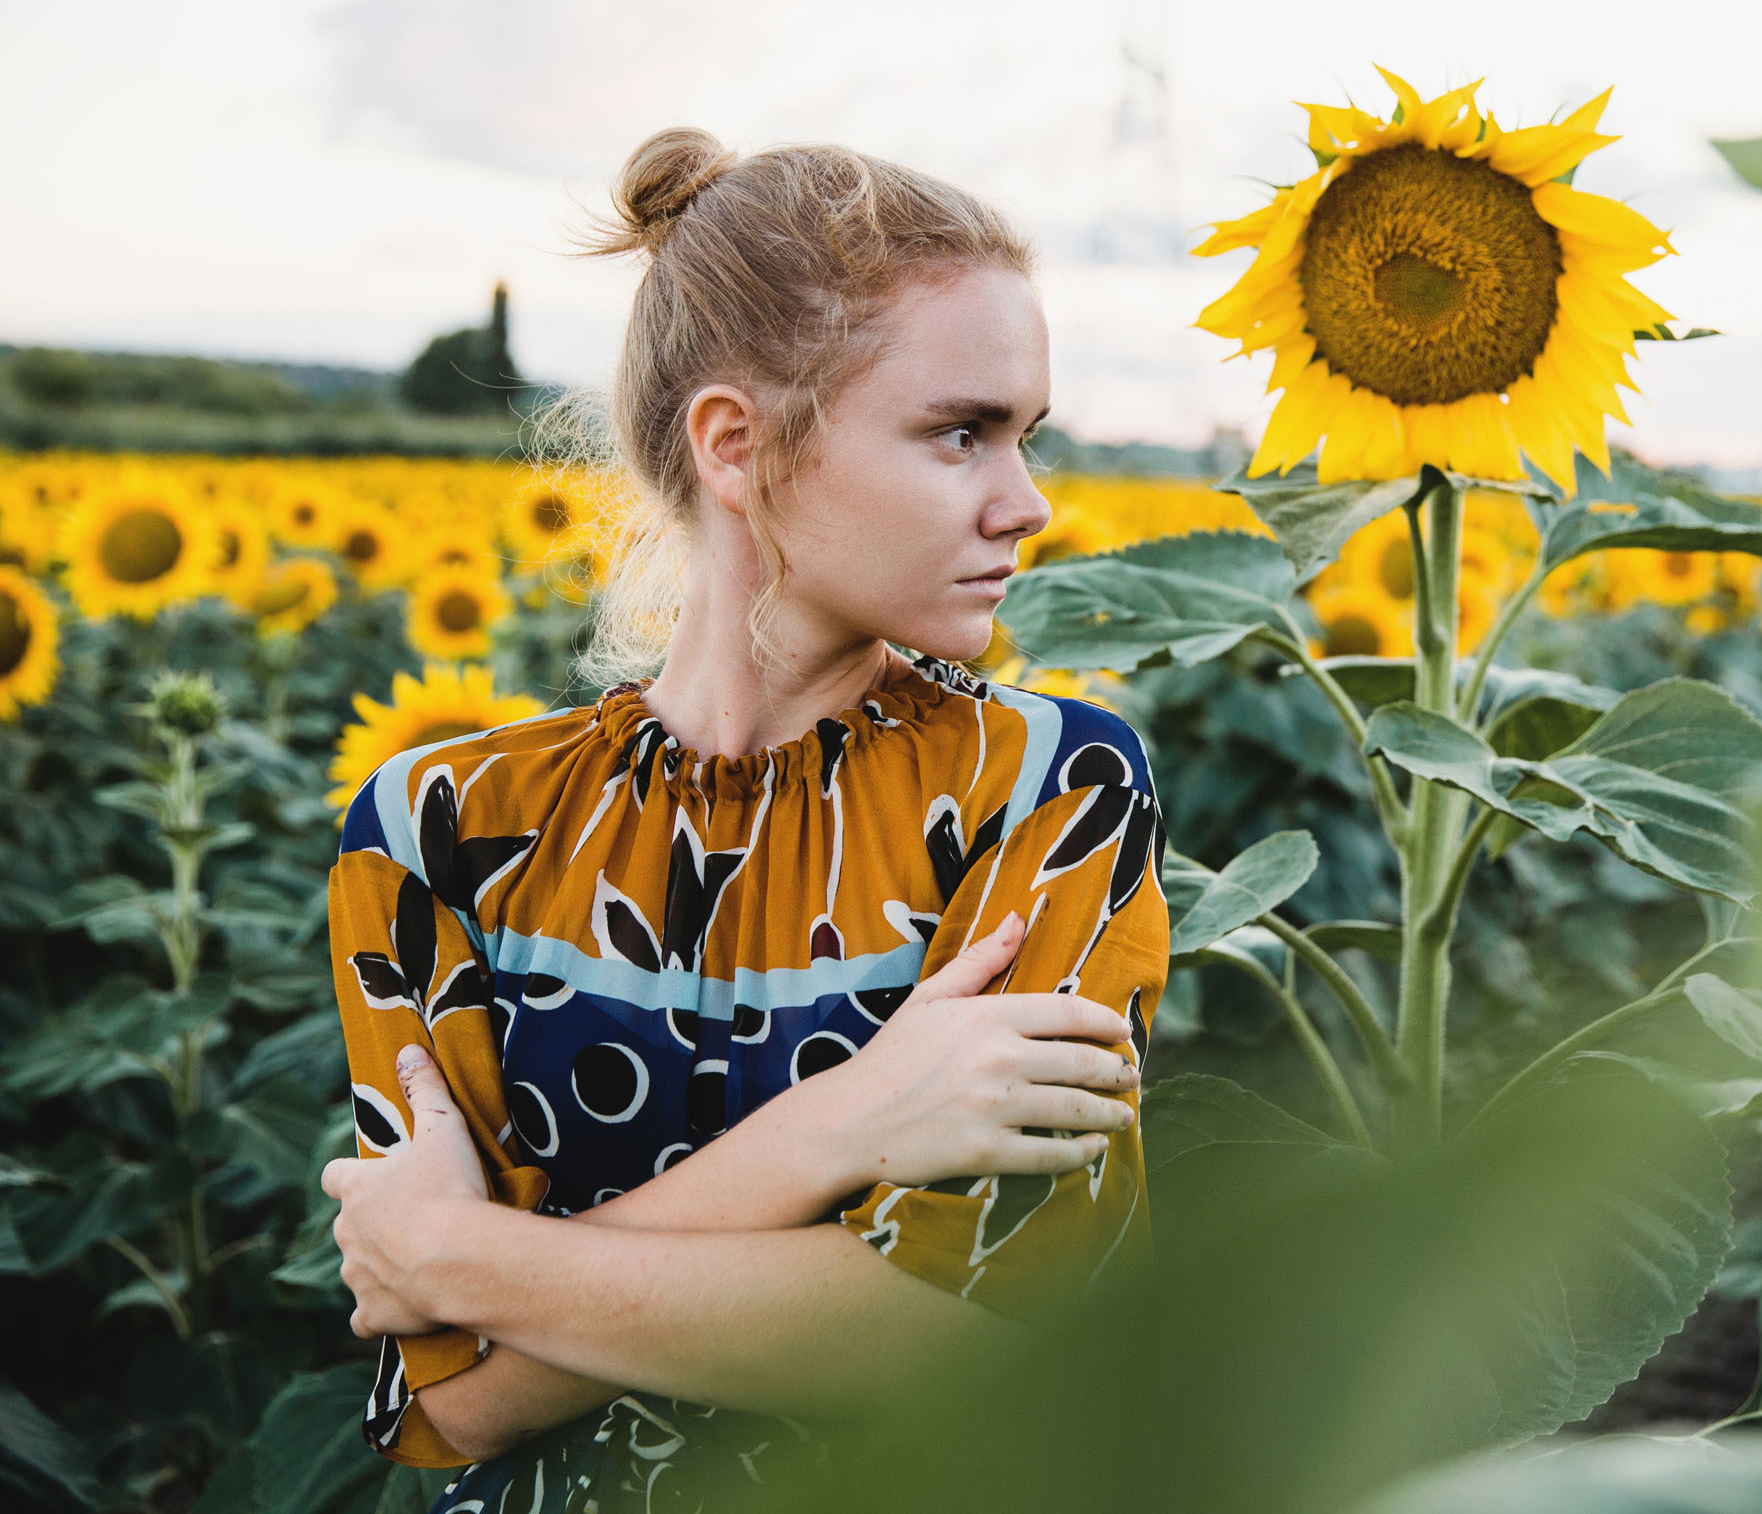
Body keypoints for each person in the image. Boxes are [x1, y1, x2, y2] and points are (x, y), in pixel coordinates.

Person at [316, 128, 1170, 1514]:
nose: (1029, 505)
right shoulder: (442, 828)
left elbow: (984, 1349)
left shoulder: (1049, 788)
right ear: (738, 444)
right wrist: (844, 1128)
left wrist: (467, 1262)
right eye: (960, 433)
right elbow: (453, 1401)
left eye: (1028, 436)